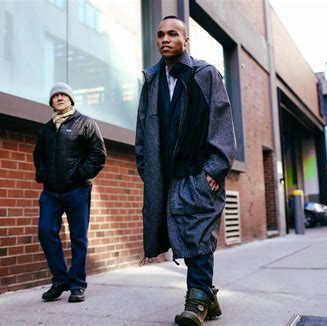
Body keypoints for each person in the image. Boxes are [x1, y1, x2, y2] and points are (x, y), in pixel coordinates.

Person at [135, 16, 236, 326]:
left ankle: (196, 302)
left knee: (198, 236)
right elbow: (142, 131)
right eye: (161, 34)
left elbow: (221, 122)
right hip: (165, 176)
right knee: (187, 238)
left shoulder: (204, 75)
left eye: (173, 34)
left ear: (186, 40)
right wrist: (147, 169)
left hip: (198, 173)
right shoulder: (152, 81)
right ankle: (207, 295)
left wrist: (214, 170)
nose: (165, 39)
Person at [33, 82, 106, 303]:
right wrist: (42, 175)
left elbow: (98, 154)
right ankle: (60, 279)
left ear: (71, 99)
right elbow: (39, 155)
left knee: (78, 238)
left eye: (64, 94)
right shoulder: (46, 129)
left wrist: (79, 174)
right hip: (51, 193)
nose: (59, 98)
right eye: (55, 95)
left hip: (77, 190)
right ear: (51, 102)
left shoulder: (85, 123)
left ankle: (77, 285)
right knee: (45, 231)